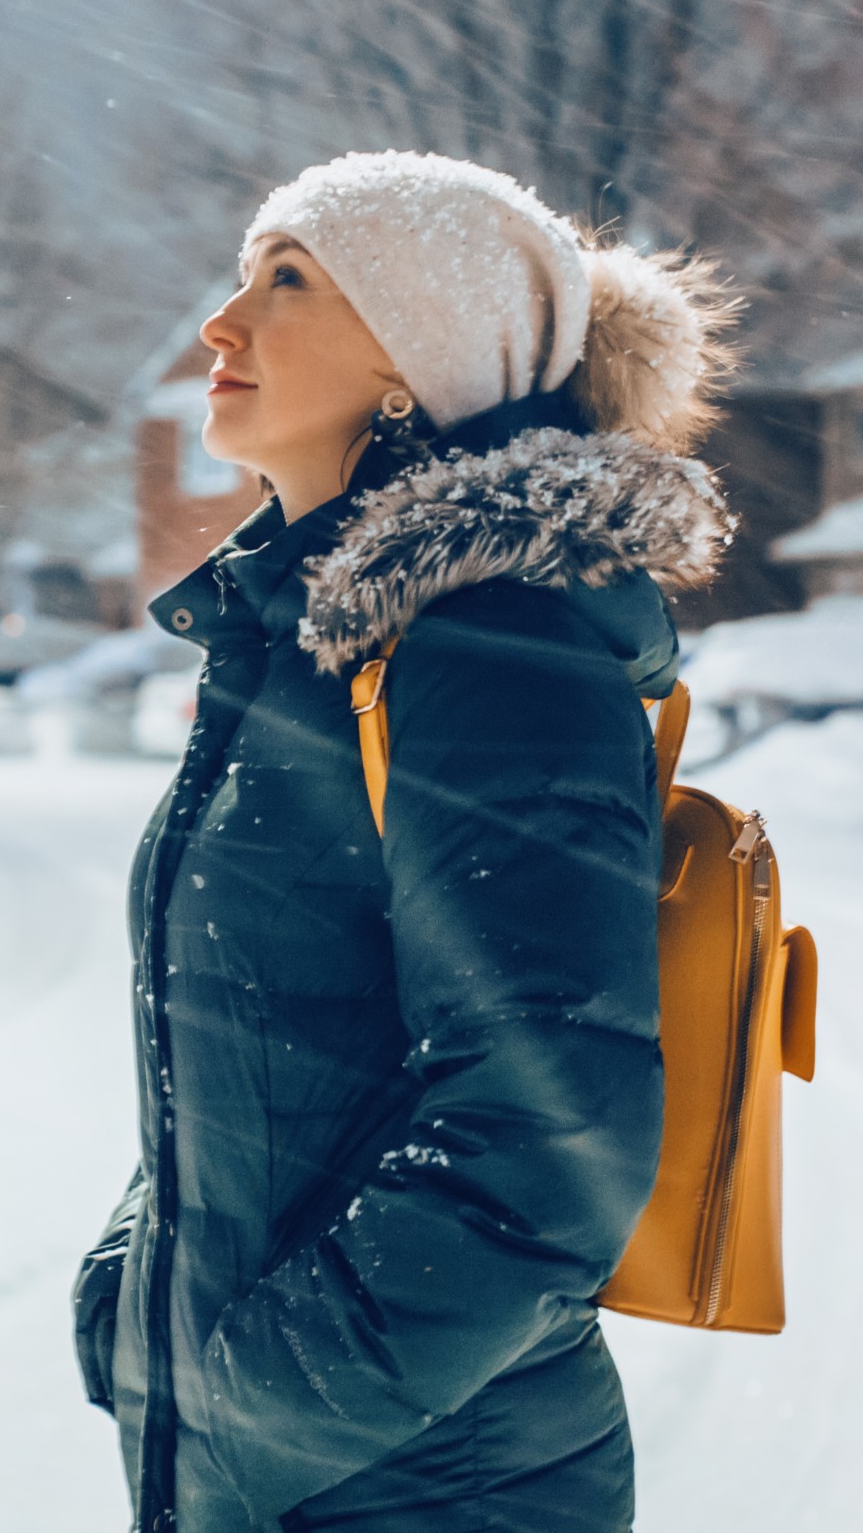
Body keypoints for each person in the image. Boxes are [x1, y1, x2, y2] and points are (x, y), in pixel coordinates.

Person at [72, 151, 740, 1533]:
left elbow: (548, 1132)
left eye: (290, 280)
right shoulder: (308, 643)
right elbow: (274, 1043)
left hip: (428, 1486)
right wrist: (137, 1294)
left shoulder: (489, 644)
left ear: (414, 364)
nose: (223, 320)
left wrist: (255, 1399)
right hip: (311, 1472)